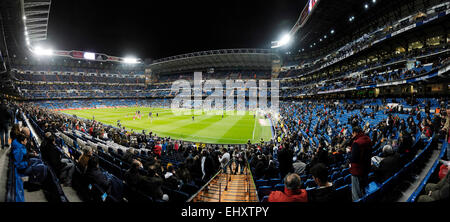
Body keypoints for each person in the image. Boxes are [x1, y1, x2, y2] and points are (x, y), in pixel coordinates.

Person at [349, 126, 372, 201]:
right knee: (363, 188)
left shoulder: (357, 143)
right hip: (366, 167)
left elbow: (354, 159)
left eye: (352, 134)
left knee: (356, 192)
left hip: (357, 170)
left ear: (355, 133)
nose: (352, 135)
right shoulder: (368, 139)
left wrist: (350, 151)